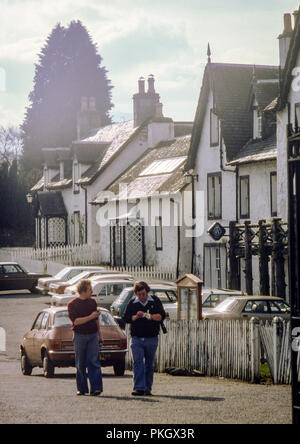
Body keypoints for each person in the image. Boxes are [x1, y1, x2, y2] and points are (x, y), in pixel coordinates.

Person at [123, 281, 166, 396]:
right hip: (137, 338)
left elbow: (161, 316)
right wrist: (135, 317)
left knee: (149, 364)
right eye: (139, 294)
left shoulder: (155, 301)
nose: (142, 297)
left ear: (147, 291)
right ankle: (138, 388)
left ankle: (147, 388)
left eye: (143, 294)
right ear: (136, 294)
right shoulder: (132, 303)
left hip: (151, 338)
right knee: (138, 363)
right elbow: (125, 318)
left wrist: (148, 315)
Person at [67, 279, 103, 396]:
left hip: (93, 334)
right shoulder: (72, 305)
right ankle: (81, 388)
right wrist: (91, 316)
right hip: (79, 335)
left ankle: (96, 388)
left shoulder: (92, 302)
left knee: (94, 361)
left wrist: (99, 334)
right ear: (83, 290)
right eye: (89, 289)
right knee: (80, 363)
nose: (92, 291)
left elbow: (96, 319)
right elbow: (76, 321)